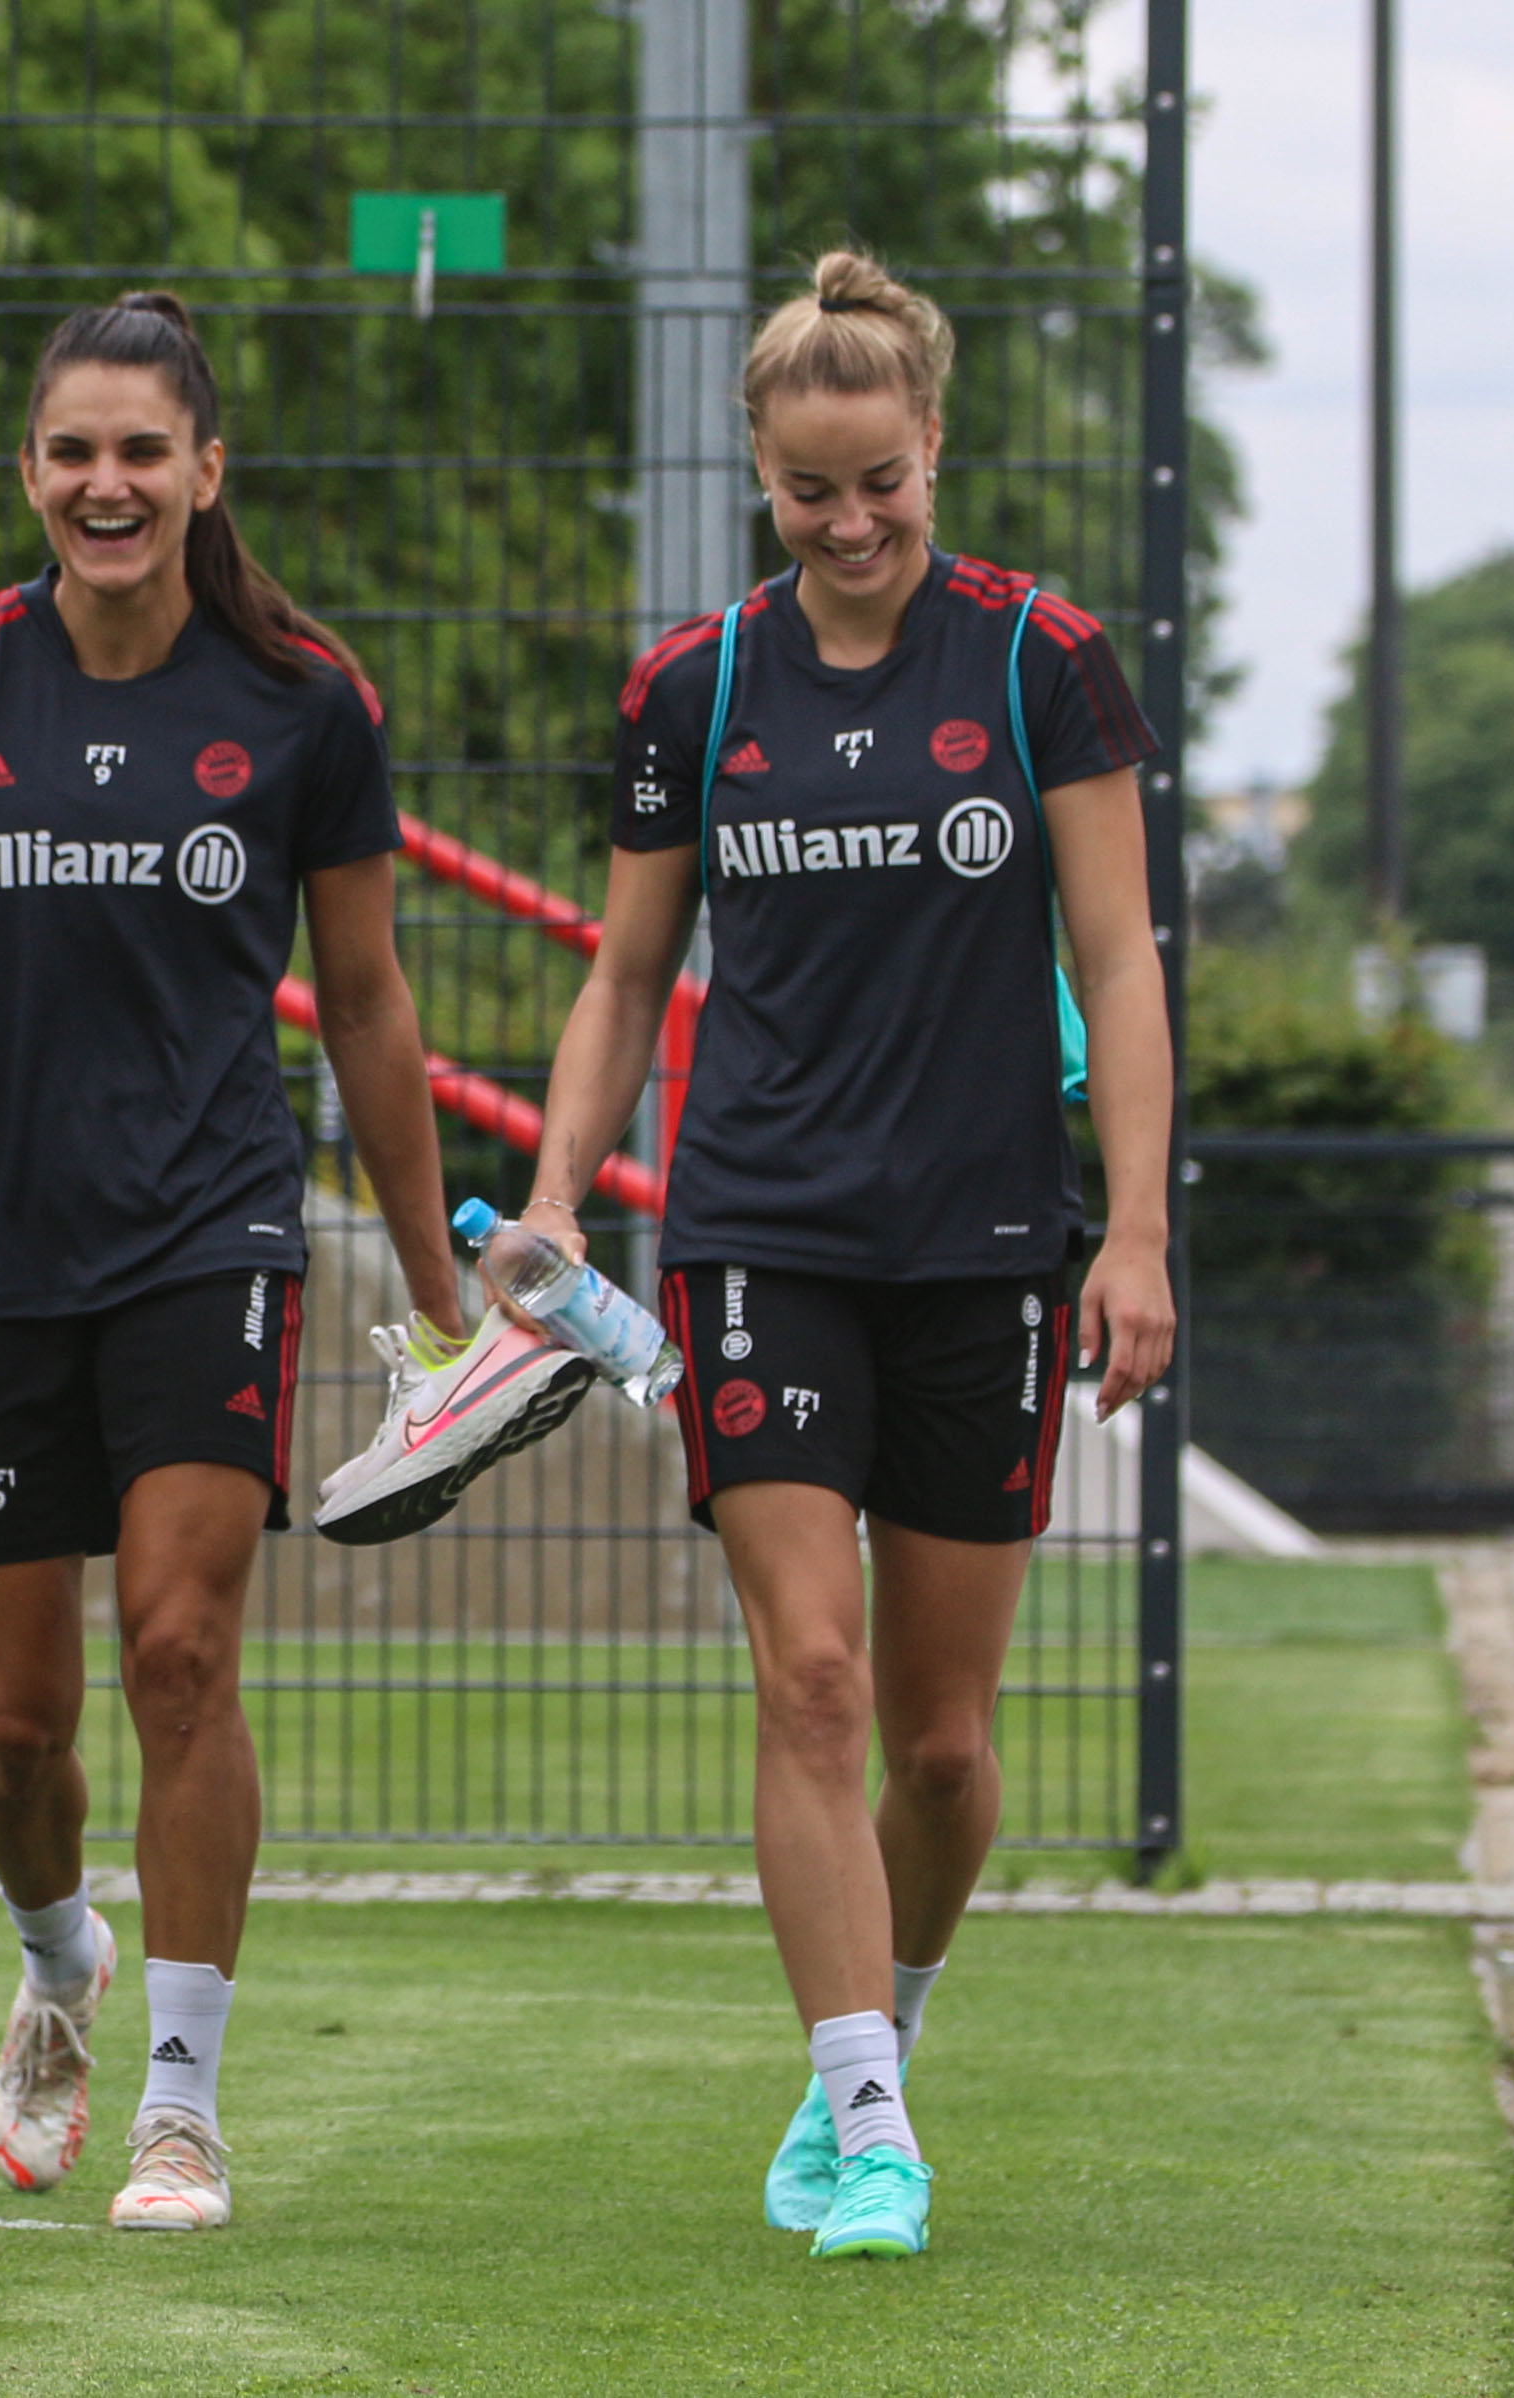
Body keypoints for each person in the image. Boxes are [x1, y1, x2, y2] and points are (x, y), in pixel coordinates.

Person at [0, 292, 467, 2234]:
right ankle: (58, 1949)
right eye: (72, 453)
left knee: (179, 1643)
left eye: (142, 453)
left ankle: (182, 2105)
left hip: (207, 1228)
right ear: (30, 474)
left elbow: (374, 1004)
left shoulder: (305, 702)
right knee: (13, 1734)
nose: (107, 485)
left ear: (206, 471)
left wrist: (437, 1293)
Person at [512, 249, 1173, 2263]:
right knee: (807, 1677)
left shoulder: (1038, 660)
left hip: (983, 1244)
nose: (854, 522)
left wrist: (1134, 1229)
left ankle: (882, 2028)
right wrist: (555, 1192)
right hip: (758, 1237)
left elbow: (1122, 959)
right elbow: (628, 978)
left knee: (947, 1752)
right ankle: (867, 2119)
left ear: (933, 449)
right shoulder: (692, 690)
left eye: (881, 481)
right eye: (813, 493)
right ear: (765, 484)